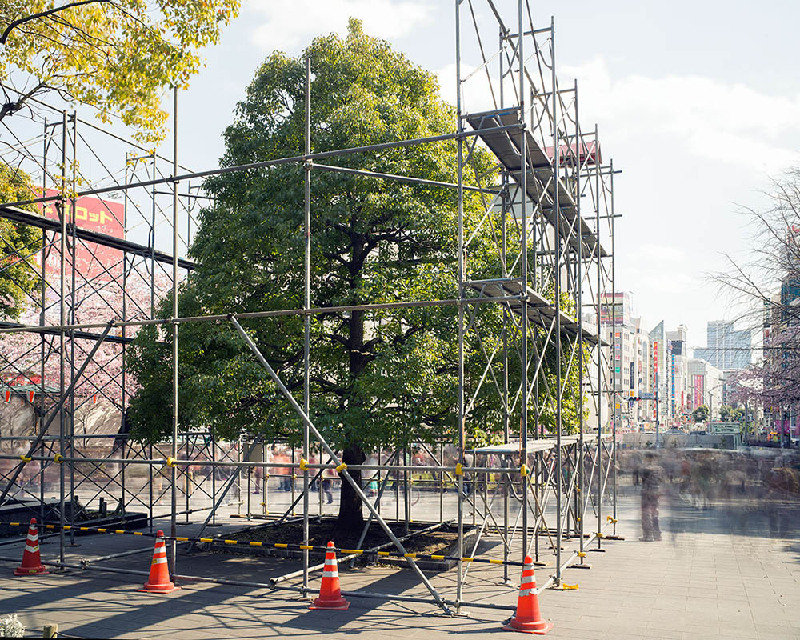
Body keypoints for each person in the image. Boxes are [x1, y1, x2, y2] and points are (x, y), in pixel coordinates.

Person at [640, 453, 662, 542]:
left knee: (646, 514)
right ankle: (657, 535)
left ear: (647, 459)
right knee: (655, 513)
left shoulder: (645, 469)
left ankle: (648, 535)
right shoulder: (659, 469)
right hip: (656, 492)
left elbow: (643, 480)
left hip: (647, 492)